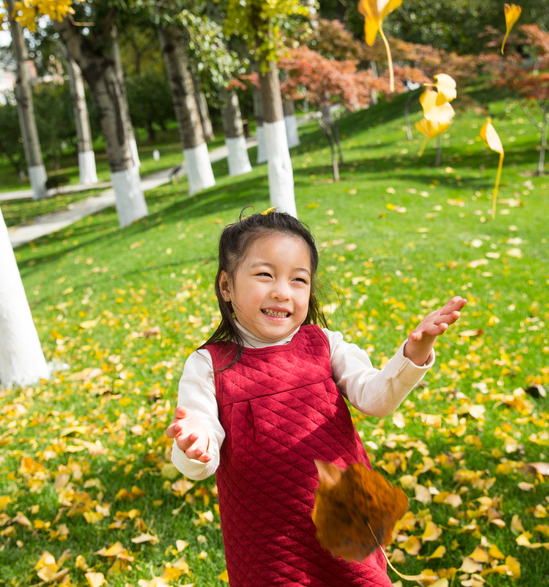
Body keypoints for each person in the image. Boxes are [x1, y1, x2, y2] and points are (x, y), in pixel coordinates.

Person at [164, 208, 466, 586]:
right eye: (264, 274)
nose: (282, 291)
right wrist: (195, 445)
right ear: (226, 286)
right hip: (269, 546)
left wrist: (413, 354)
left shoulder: (323, 344)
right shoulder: (210, 366)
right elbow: (201, 450)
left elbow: (375, 398)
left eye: (298, 280)